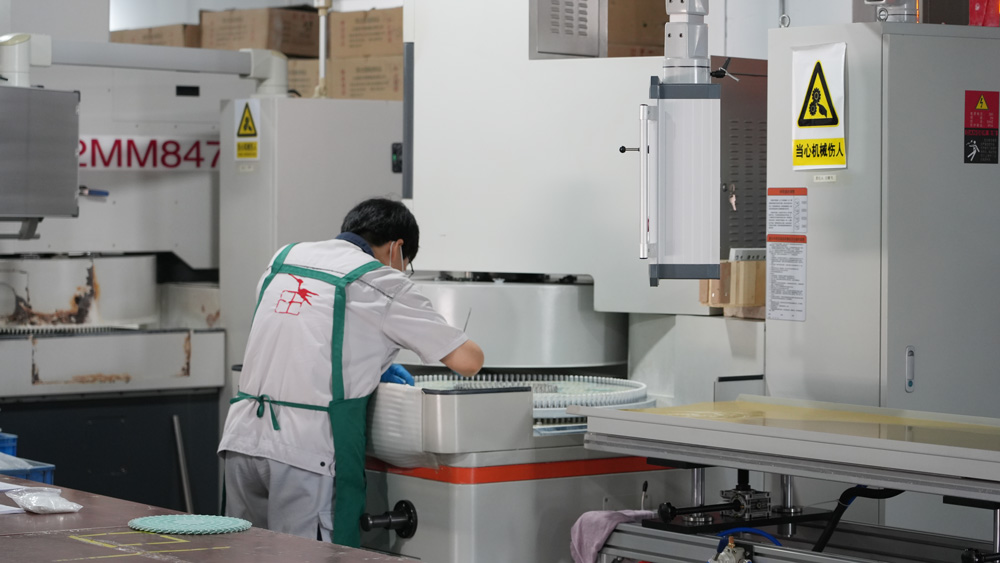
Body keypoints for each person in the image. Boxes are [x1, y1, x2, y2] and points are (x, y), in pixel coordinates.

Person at [218, 197, 484, 546]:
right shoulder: (383, 281)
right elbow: (469, 361)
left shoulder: (283, 259)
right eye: (406, 264)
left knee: (243, 554)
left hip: (242, 441)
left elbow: (305, 333)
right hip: (305, 452)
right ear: (397, 248)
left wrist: (373, 362)